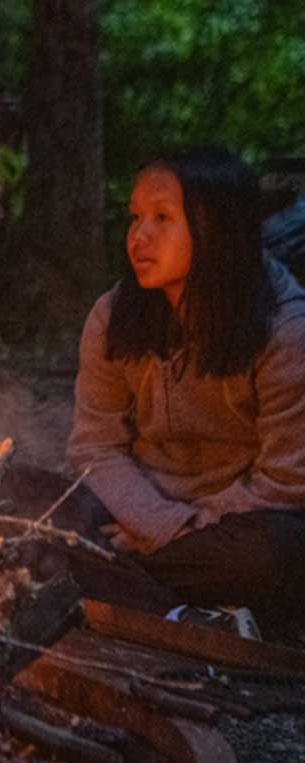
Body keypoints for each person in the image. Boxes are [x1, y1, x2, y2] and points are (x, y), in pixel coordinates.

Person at [66, 147, 305, 631]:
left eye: (162, 217)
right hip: (139, 514)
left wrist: (179, 529)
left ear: (216, 228)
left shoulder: (284, 326)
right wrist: (156, 521)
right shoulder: (113, 316)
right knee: (19, 502)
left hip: (235, 526)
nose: (139, 235)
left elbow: (284, 481)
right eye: (135, 217)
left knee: (278, 554)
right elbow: (96, 447)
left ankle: (112, 587)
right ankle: (189, 617)